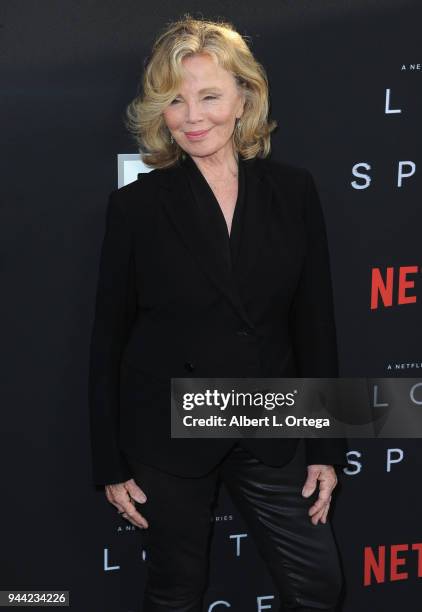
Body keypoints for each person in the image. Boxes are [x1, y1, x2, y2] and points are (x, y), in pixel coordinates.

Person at [88, 15, 348, 612]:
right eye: (175, 101)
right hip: (167, 428)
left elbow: (315, 325)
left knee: (318, 586)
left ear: (243, 100)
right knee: (176, 592)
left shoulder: (294, 191)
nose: (192, 115)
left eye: (209, 95)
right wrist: (109, 461)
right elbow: (108, 338)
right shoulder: (135, 208)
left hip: (270, 418)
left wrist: (328, 447)